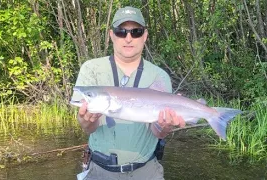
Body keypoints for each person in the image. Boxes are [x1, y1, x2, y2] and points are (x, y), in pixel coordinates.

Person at [71, 6, 186, 180]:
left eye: (136, 32)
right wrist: (86, 121)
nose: (128, 38)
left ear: (145, 36)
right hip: (99, 171)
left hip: (146, 171)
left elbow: (157, 131)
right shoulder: (91, 69)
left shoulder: (159, 76)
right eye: (121, 31)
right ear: (111, 35)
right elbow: (88, 127)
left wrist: (165, 126)